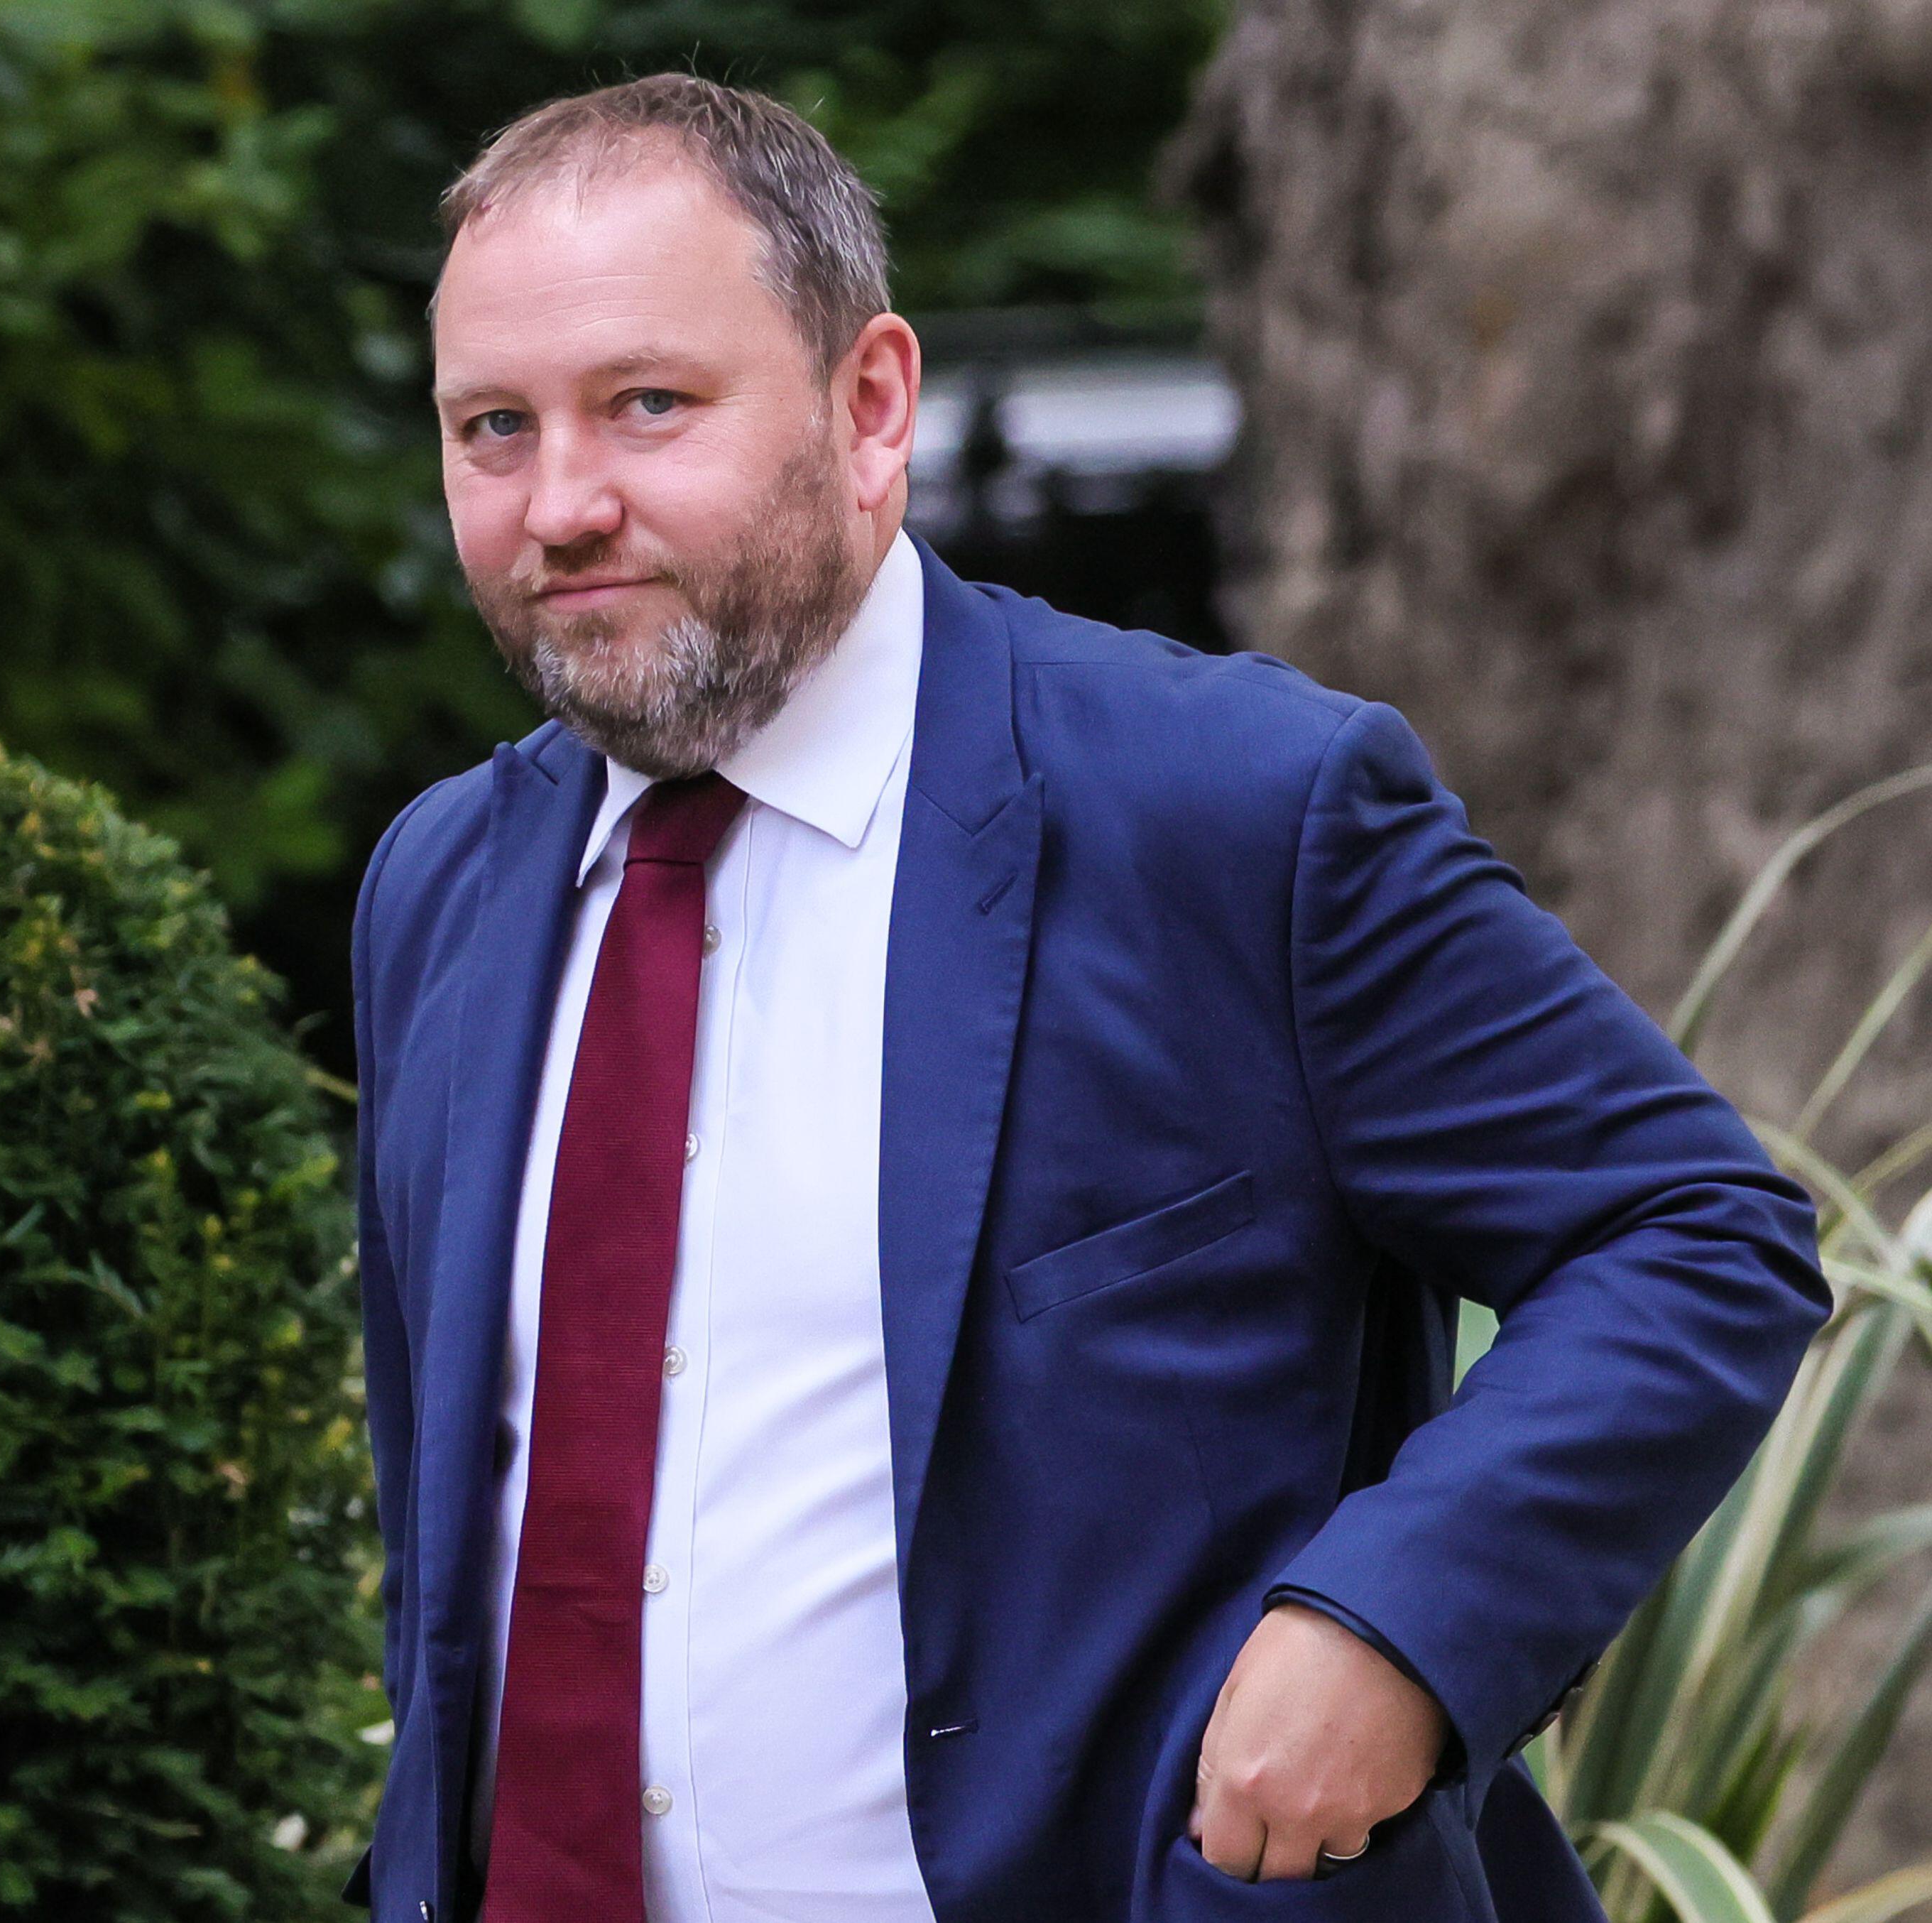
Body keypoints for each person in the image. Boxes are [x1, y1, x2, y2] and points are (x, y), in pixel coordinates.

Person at [342, 72, 1829, 1923]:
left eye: (649, 403)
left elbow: (1688, 1230)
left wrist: (1390, 1632)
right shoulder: (442, 888)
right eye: (493, 426)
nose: (562, 503)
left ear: (870, 405)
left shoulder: (1235, 811)